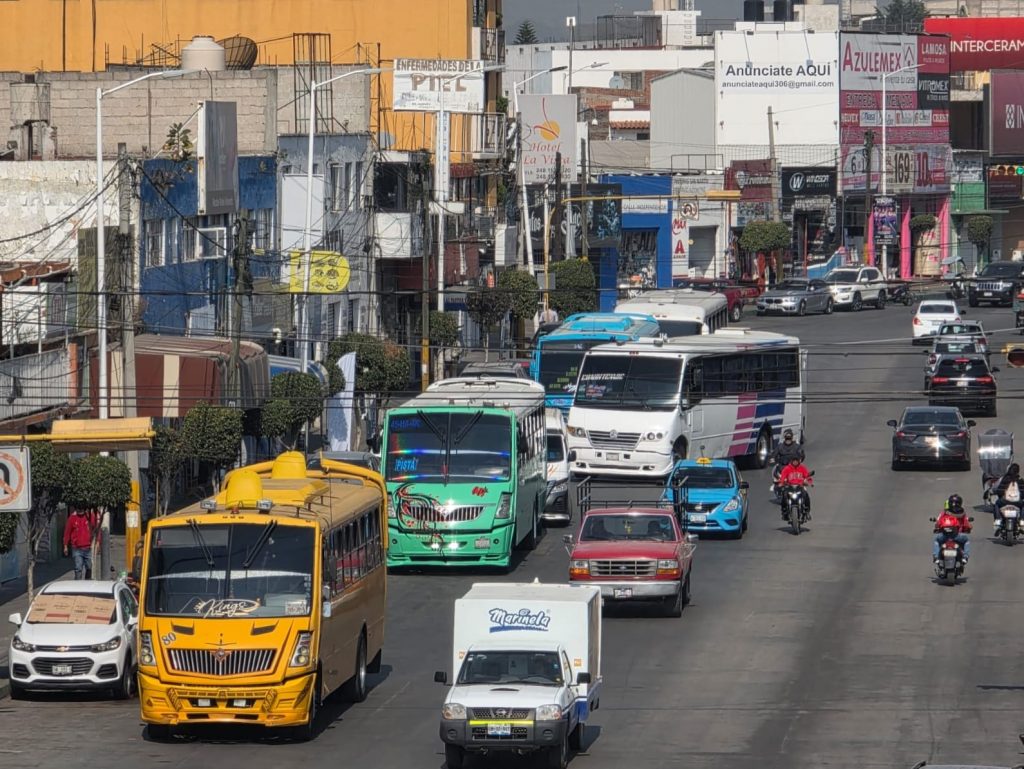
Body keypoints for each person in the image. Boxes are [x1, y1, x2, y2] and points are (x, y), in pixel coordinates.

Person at [933, 494, 971, 565]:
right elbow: (966, 525)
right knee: (966, 540)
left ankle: (936, 556)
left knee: (936, 540)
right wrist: (968, 529)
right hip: (957, 536)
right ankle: (965, 557)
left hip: (944, 536)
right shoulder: (962, 513)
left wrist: (937, 528)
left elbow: (938, 523)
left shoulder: (945, 512)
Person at [63, 507, 97, 580]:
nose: (80, 510)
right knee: (78, 568)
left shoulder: (90, 517)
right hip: (76, 548)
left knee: (89, 567)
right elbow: (67, 532)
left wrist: (97, 543)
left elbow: (96, 529)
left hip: (88, 548)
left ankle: (87, 583)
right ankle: (78, 584)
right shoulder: (72, 518)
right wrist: (65, 545)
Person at [770, 429, 805, 496]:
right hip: (782, 468)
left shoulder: (797, 446)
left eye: (789, 438)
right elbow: (774, 455)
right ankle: (778, 489)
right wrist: (772, 459)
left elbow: (802, 455)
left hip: (794, 469)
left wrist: (800, 458)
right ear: (784, 438)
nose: (788, 440)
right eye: (787, 438)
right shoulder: (780, 447)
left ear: (792, 438)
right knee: (775, 474)